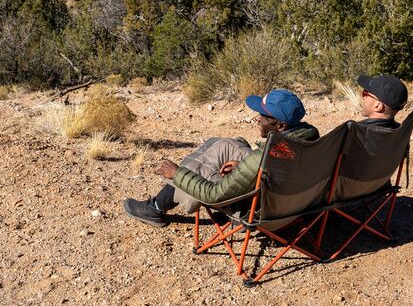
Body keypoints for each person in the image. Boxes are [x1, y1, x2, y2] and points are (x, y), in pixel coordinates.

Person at [123, 89, 319, 228]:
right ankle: (164, 198)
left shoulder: (264, 157)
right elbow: (273, 167)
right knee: (226, 144)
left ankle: (157, 206)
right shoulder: (311, 140)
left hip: (259, 210)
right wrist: (243, 166)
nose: (257, 118)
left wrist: (177, 174)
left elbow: (213, 194)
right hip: (293, 202)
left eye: (263, 116)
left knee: (195, 172)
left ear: (281, 126)